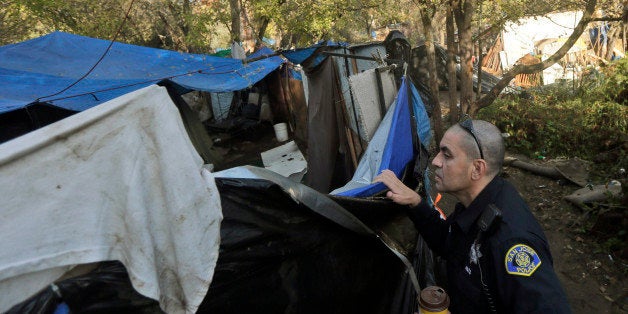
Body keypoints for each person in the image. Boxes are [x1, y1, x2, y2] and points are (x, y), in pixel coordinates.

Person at [374, 119, 571, 313]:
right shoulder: (477, 202)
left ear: (477, 169)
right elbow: (448, 242)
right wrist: (416, 203)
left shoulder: (510, 242)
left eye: (447, 155)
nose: (435, 162)